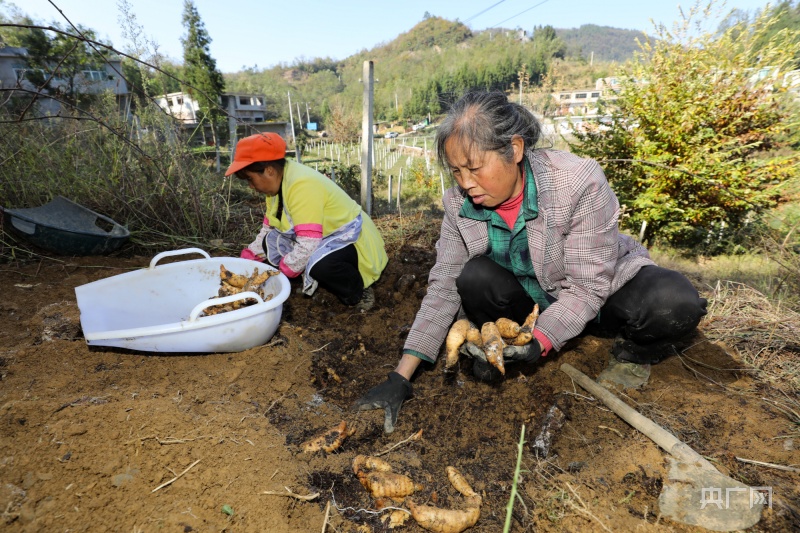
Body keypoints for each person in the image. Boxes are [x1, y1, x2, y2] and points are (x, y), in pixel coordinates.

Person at [355, 90, 707, 433]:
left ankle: (632, 353)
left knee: (673, 303)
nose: (466, 184)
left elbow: (586, 288)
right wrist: (400, 377)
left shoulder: (577, 182)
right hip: (525, 302)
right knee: (472, 276)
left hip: (598, 291)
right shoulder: (457, 205)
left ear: (515, 149)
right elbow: (443, 287)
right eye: (457, 172)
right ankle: (505, 347)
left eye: (475, 168)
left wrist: (540, 341)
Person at [225, 132, 388, 311]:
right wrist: (247, 258)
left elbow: (309, 243)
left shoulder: (302, 185)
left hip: (348, 237)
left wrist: (282, 274)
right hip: (320, 236)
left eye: (250, 179)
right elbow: (268, 228)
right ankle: (305, 276)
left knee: (322, 266)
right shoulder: (276, 187)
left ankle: (357, 291)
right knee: (269, 241)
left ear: (269, 171)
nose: (250, 185)